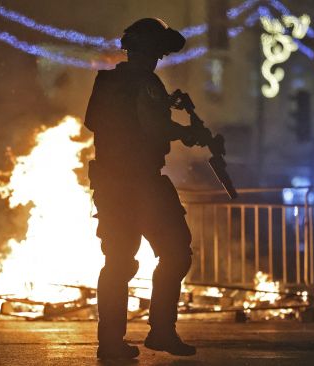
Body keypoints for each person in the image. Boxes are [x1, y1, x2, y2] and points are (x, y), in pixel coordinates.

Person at [84, 18, 210, 360]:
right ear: (151, 50)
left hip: (114, 184)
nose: (159, 58)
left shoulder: (111, 82)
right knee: (174, 253)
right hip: (140, 183)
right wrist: (185, 132)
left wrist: (167, 110)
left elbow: (121, 120)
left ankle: (114, 343)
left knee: (120, 262)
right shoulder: (146, 83)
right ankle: (160, 331)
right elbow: (151, 126)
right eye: (157, 51)